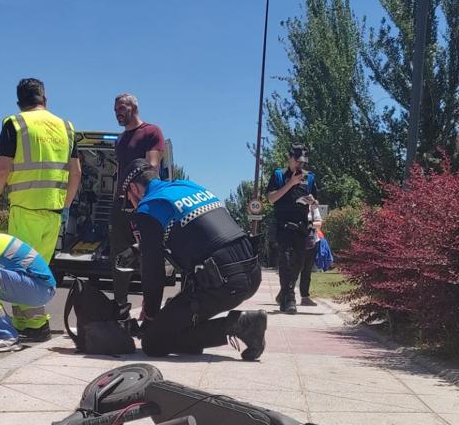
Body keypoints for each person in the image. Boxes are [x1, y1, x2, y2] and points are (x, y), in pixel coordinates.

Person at [122, 159, 267, 360]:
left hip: (223, 283)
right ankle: (194, 338)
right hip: (252, 271)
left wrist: (152, 318)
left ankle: (241, 325)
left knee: (153, 342)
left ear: (134, 189)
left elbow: (153, 272)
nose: (130, 203)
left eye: (128, 197)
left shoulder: (148, 206)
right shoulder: (187, 186)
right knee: (179, 322)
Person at [0, 77, 81, 341]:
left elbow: (2, 170)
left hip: (25, 208)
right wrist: (66, 206)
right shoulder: (66, 127)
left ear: (19, 102)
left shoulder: (15, 123)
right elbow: (76, 173)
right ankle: (29, 323)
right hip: (53, 212)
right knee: (38, 270)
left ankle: (35, 325)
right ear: (44, 99)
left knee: (20, 270)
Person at [110, 92, 166, 313]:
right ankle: (120, 308)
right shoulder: (121, 140)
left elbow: (150, 168)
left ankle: (150, 310)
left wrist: (141, 200)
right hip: (121, 205)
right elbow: (119, 172)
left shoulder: (152, 132)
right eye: (115, 110)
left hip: (144, 205)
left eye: (121, 108)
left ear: (133, 107)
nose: (118, 113)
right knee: (119, 256)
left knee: (148, 256)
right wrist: (118, 199)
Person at [266, 144, 320, 312]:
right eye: (297, 161)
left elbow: (316, 203)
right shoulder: (278, 175)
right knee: (286, 260)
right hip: (283, 226)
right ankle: (290, 299)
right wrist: (291, 183)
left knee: (298, 263)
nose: (300, 165)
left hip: (302, 227)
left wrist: (312, 201)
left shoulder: (310, 178)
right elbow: (271, 199)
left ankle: (284, 293)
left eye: (302, 162)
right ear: (289, 158)